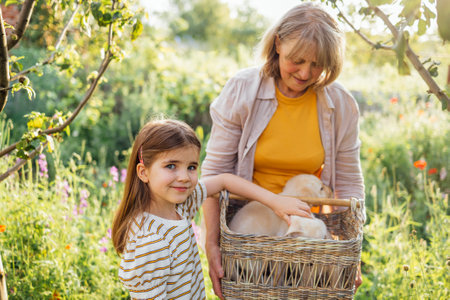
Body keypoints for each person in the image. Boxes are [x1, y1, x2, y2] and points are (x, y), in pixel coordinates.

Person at [201, 2, 365, 299]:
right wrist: (212, 244)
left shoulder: (341, 104)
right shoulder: (242, 90)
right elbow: (214, 174)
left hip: (307, 235)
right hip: (250, 232)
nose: (305, 73)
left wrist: (351, 251)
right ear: (277, 43)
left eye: (317, 64)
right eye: (297, 60)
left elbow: (349, 186)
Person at [111, 118, 312, 299]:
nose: (184, 176)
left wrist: (275, 201)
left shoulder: (181, 206)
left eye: (191, 167)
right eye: (171, 165)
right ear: (143, 172)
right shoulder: (152, 242)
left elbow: (224, 181)